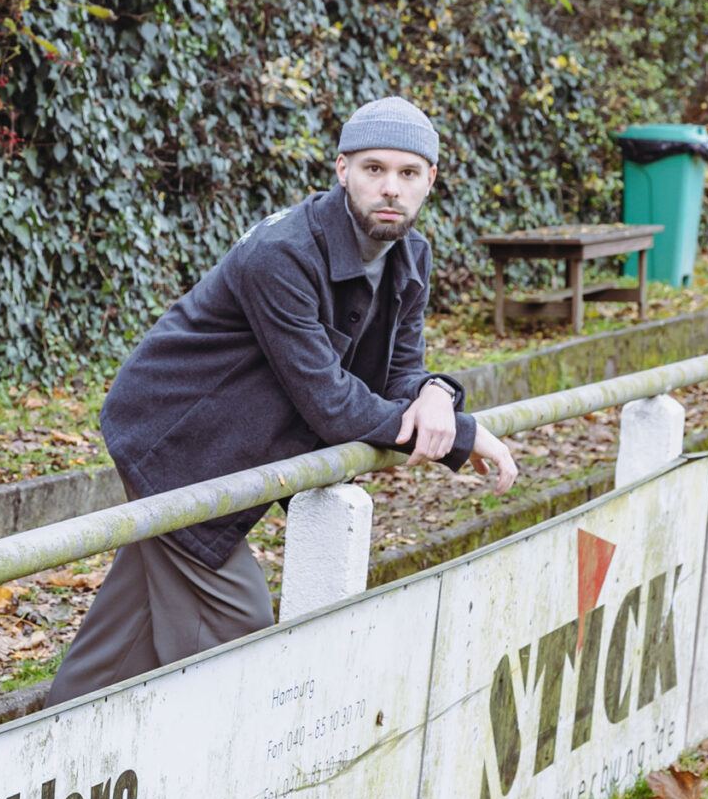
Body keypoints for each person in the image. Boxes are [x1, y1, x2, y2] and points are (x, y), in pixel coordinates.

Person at [44, 97, 521, 703]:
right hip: (179, 443)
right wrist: (462, 434)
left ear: (431, 180)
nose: (390, 188)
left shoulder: (410, 255)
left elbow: (402, 369)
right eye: (374, 169)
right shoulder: (284, 254)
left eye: (407, 173)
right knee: (242, 640)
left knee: (125, 635)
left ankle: (36, 757)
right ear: (342, 168)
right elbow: (331, 403)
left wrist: (434, 394)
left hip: (229, 443)